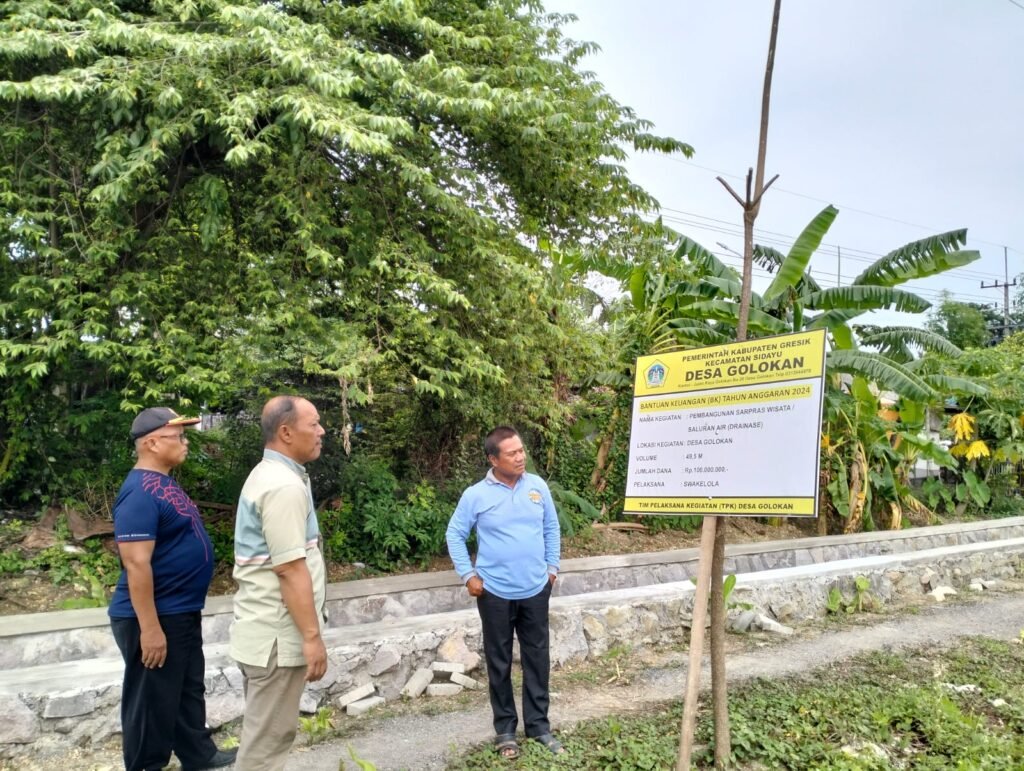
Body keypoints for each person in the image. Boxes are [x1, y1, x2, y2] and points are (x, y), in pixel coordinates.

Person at [108, 407, 237, 771]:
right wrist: (150, 629)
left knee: (185, 687)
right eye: (177, 436)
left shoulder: (163, 482)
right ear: (150, 443)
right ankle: (146, 765)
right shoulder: (138, 493)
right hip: (153, 616)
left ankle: (199, 756)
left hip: (179, 610)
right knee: (152, 699)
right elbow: (136, 563)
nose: (185, 442)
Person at [445, 426, 564, 759]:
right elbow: (454, 534)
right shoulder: (475, 495)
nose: (520, 457)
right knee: (499, 662)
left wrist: (551, 570)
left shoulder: (537, 487)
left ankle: (539, 726)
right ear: (493, 459)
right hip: (494, 592)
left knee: (537, 659)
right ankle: (506, 730)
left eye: (521, 450)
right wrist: (468, 575)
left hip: (535, 589)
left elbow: (551, 528)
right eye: (512, 453)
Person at [230, 395, 328, 771]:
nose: (321, 432)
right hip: (277, 636)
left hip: (262, 632)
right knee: (264, 751)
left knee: (266, 738)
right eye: (314, 424)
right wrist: (311, 637)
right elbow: (289, 569)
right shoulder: (283, 486)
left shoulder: (269, 475)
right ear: (286, 432)